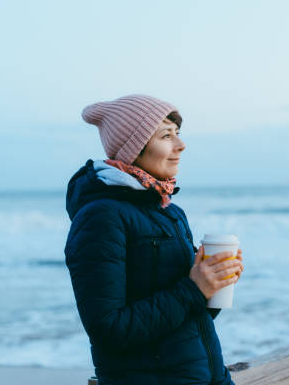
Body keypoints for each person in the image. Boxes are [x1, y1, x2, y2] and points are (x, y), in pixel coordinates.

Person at [64, 94, 244, 384]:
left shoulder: (170, 212)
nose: (180, 145)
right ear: (135, 147)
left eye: (178, 134)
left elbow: (189, 321)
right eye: (166, 135)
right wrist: (194, 289)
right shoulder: (101, 217)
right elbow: (109, 330)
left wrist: (212, 287)